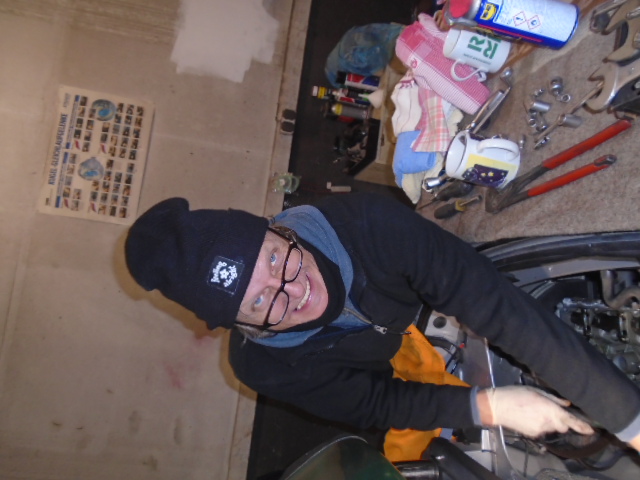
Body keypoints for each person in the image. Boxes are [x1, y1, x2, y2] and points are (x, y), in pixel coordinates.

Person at [124, 193, 640, 461]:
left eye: (277, 259)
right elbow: (376, 403)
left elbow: (496, 308)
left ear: (276, 229)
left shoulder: (371, 226)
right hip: (395, 354)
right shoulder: (263, 367)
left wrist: (630, 422)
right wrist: (490, 408)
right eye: (262, 300)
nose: (296, 290)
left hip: (423, 300)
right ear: (239, 325)